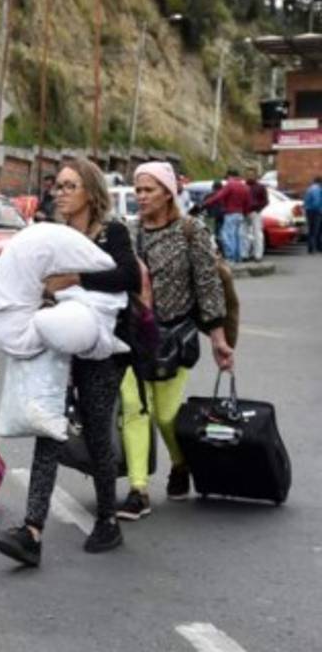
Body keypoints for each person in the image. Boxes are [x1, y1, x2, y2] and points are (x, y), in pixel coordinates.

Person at [0, 158, 138, 567]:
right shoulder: (48, 237)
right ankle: (32, 532)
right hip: (55, 347)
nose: (60, 192)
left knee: (95, 433)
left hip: (101, 352)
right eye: (58, 186)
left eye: (70, 186)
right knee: (48, 430)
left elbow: (127, 277)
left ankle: (108, 518)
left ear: (91, 192)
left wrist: (75, 279)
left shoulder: (111, 233)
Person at [115, 161, 232, 520]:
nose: (141, 196)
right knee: (135, 409)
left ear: (168, 192)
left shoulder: (190, 230)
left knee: (166, 416)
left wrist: (218, 338)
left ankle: (180, 464)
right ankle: (138, 490)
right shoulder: (128, 231)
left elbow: (208, 284)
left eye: (149, 189)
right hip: (133, 336)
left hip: (174, 336)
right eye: (138, 189)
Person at [201, 168, 252, 262]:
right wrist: (245, 213)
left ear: (229, 176)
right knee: (238, 236)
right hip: (240, 214)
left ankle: (230, 257)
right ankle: (238, 257)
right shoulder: (245, 187)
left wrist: (206, 203)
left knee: (228, 235)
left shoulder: (230, 185)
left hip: (230, 213)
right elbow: (248, 203)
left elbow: (219, 196)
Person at [244, 169, 268, 262]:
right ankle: (245, 254)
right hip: (245, 212)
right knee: (244, 234)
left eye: (252, 175)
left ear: (256, 176)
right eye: (248, 174)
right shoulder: (244, 186)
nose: (250, 176)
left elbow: (265, 201)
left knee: (257, 234)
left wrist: (259, 209)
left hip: (255, 212)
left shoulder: (260, 187)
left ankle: (258, 255)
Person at [306, 176, 322, 254]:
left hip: (309, 210)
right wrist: (319, 210)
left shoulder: (310, 189)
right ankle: (313, 247)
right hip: (315, 211)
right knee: (315, 229)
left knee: (311, 229)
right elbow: (317, 201)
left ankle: (312, 247)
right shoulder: (317, 189)